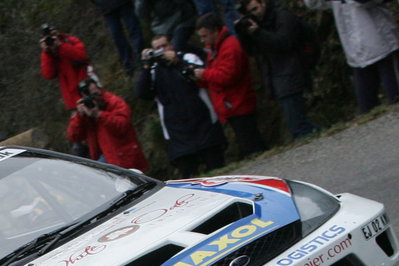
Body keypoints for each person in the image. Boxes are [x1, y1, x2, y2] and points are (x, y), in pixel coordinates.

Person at [135, 39, 227, 177]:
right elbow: (142, 92)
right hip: (176, 129)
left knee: (217, 167)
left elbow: (201, 75)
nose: (162, 50)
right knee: (187, 174)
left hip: (202, 120)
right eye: (157, 48)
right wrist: (146, 65)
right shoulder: (153, 70)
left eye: (164, 46)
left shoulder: (187, 57)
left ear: (171, 45)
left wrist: (177, 62)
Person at [234, 0, 322, 139]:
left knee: (298, 126)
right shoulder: (259, 22)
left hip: (292, 72)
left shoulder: (282, 16)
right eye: (250, 11)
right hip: (277, 76)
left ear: (263, 3)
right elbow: (252, 51)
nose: (254, 13)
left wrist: (258, 32)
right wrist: (243, 34)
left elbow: (284, 42)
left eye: (255, 8)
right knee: (298, 125)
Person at [304, 0, 399, 114]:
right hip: (357, 54)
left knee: (397, 99)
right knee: (367, 109)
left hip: (381, 44)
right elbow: (313, 3)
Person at [192, 12, 265, 157]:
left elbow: (228, 76)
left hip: (238, 103)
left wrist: (204, 74)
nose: (202, 40)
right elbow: (216, 77)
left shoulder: (230, 46)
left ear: (216, 31)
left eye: (204, 36)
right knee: (249, 145)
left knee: (252, 147)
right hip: (230, 105)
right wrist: (199, 79)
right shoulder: (215, 48)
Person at [67, 80, 150, 171]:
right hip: (103, 159)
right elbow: (74, 137)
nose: (94, 98)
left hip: (124, 158)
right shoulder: (85, 111)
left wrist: (99, 114)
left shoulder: (114, 102)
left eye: (96, 94)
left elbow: (122, 126)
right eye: (90, 96)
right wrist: (80, 116)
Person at [39, 25, 94, 113]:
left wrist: (61, 45)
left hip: (89, 89)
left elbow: (81, 56)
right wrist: (46, 53)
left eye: (52, 34)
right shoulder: (48, 54)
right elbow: (48, 74)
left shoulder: (70, 41)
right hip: (72, 99)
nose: (51, 39)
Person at [91, 0, 146, 75]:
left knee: (132, 30)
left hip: (121, 4)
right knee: (118, 36)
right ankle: (129, 63)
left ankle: (141, 57)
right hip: (106, 8)